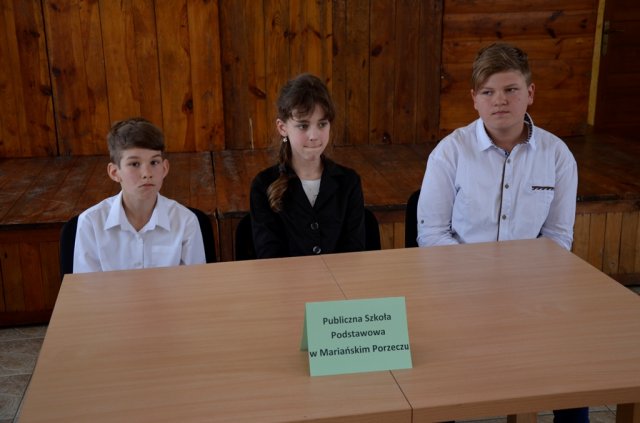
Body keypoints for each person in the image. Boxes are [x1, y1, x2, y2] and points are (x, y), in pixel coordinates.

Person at [416, 43, 585, 423]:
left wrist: (519, 284)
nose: (500, 101)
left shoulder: (557, 155)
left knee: (575, 364)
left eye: (511, 89)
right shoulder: (450, 152)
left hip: (532, 292)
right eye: (488, 92)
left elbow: (559, 237)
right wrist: (481, 279)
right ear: (474, 99)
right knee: (433, 379)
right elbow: (432, 234)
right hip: (459, 292)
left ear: (530, 92)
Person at [250, 73, 365, 258]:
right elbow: (270, 257)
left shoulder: (349, 182)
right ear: (282, 128)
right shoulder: (263, 185)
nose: (314, 136)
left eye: (322, 124)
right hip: (286, 278)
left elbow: (354, 254)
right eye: (303, 126)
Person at [73, 117, 206, 273]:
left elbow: (195, 284)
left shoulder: (186, 221)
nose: (147, 174)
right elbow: (87, 287)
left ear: (164, 168)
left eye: (154, 162)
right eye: (134, 164)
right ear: (115, 172)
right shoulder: (90, 223)